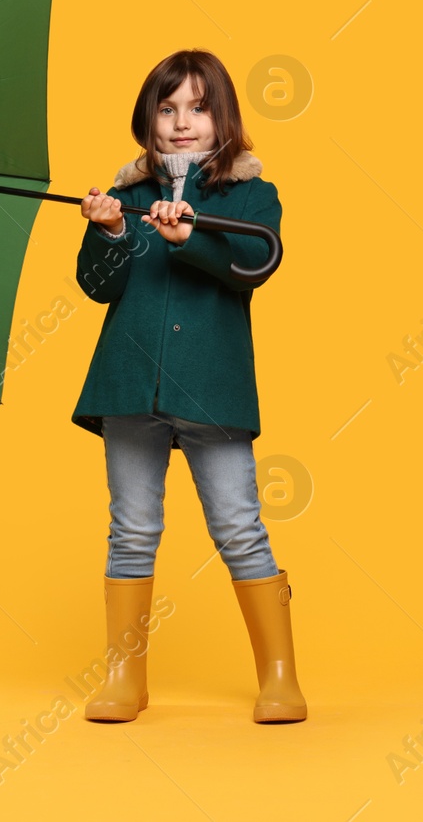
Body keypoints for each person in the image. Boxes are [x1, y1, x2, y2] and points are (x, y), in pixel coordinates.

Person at [71, 48, 306, 724]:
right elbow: (97, 287)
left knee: (238, 524)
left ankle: (281, 675)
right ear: (147, 119)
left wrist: (190, 238)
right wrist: (112, 230)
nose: (181, 122)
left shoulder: (250, 194)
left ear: (222, 116)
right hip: (129, 383)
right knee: (131, 529)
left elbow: (256, 262)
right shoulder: (130, 195)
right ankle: (124, 676)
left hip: (212, 386)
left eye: (198, 108)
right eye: (167, 108)